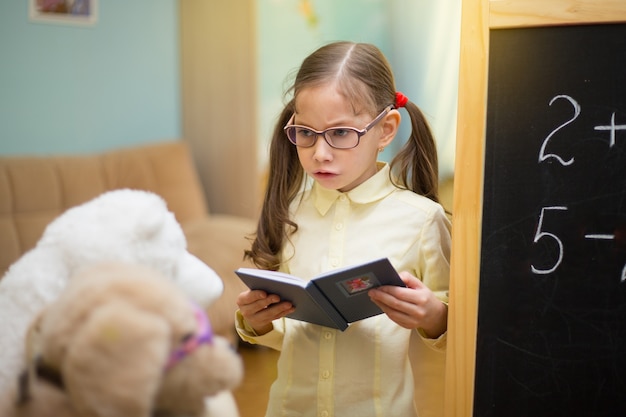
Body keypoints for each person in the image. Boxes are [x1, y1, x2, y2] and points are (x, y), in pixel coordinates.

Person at [235, 41, 451, 417]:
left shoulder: (422, 220)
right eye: (306, 133)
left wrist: (435, 317)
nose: (320, 153)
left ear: (385, 130)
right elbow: (293, 332)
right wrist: (256, 324)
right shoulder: (290, 214)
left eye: (339, 134)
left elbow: (461, 333)